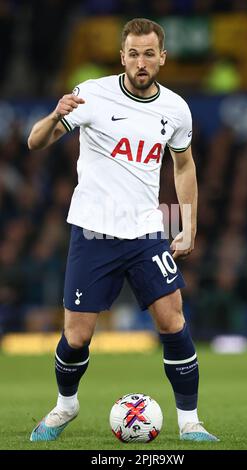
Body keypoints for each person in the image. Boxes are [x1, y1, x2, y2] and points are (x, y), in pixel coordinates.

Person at [28, 18, 218, 443]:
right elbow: (36, 142)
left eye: (149, 53)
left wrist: (188, 226)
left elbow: (183, 165)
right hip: (93, 231)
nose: (141, 61)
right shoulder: (91, 95)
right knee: (77, 336)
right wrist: (54, 115)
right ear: (122, 57)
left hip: (146, 230)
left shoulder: (175, 109)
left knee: (173, 321)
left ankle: (190, 422)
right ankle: (65, 406)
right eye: (133, 53)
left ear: (162, 58)